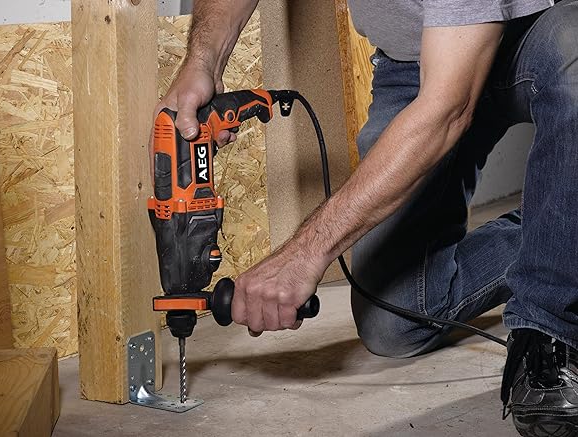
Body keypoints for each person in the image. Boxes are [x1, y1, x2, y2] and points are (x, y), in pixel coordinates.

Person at [153, 1, 578, 435]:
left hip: (530, 44)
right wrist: (202, 61)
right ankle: (562, 231)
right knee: (394, 324)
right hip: (410, 64)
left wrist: (303, 254)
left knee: (573, 50)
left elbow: (447, 108)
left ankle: (549, 329)